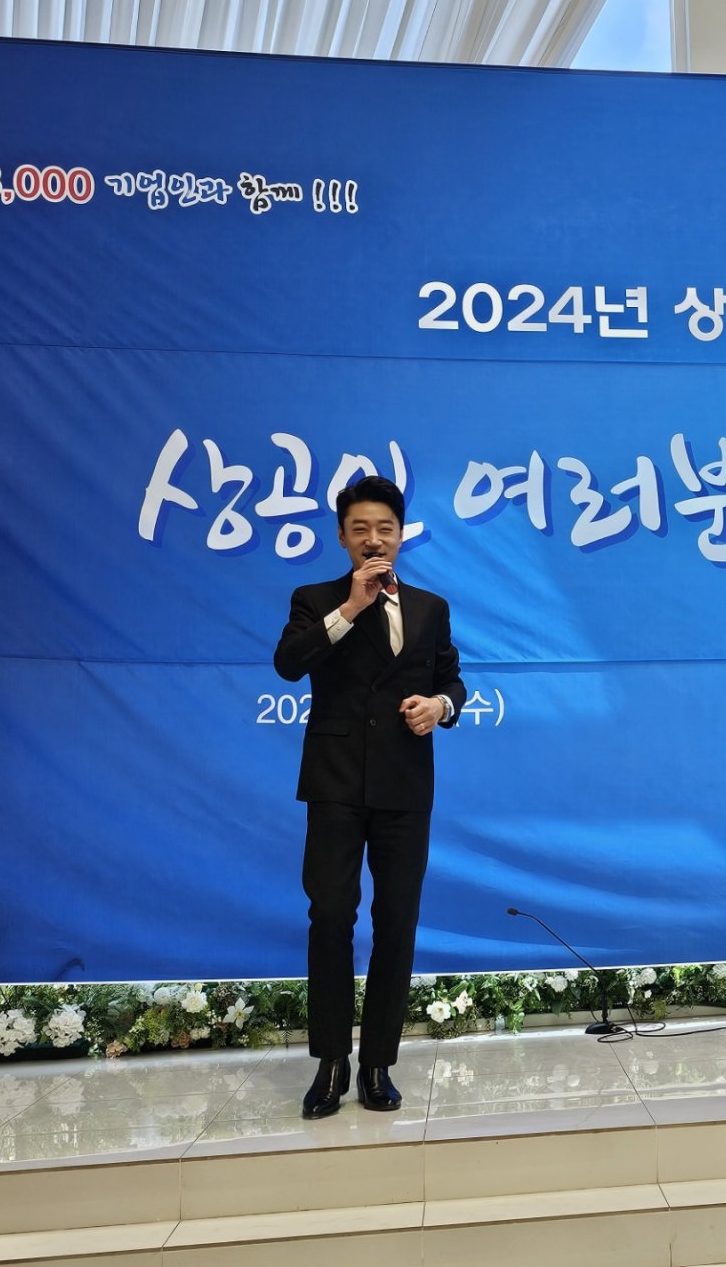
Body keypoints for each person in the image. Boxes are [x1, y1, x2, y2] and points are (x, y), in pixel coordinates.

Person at [274, 477, 465, 1118]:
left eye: (384, 528)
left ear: (401, 535)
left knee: (397, 922)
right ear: (342, 537)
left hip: (404, 785)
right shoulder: (316, 599)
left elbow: (453, 682)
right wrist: (351, 608)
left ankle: (378, 1063)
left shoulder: (431, 608)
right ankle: (330, 1061)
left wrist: (439, 706)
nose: (373, 539)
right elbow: (289, 663)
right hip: (334, 784)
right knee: (330, 916)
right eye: (360, 529)